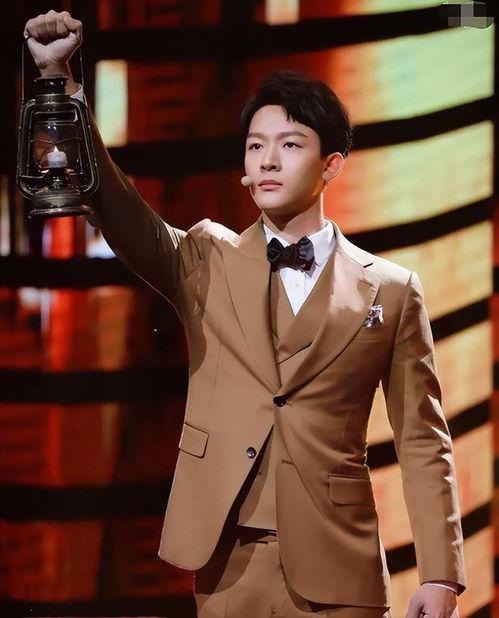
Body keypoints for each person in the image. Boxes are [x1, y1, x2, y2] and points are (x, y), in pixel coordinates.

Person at [24, 11, 466, 618]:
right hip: (227, 564)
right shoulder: (207, 259)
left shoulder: (391, 291)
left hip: (340, 569)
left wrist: (441, 575)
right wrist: (61, 84)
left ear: (332, 164)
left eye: (290, 145)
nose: (268, 161)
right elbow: (121, 208)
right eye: (256, 146)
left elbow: (421, 439)